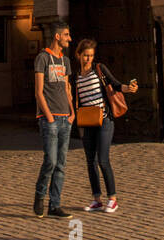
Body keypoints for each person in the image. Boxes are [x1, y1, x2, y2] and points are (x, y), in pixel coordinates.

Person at [72, 39, 138, 213]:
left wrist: (128, 88)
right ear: (79, 55)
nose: (88, 59)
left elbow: (115, 84)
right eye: (86, 55)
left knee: (103, 159)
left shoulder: (99, 69)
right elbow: (73, 97)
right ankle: (96, 199)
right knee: (90, 161)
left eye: (91, 56)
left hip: (104, 120)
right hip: (87, 121)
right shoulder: (75, 74)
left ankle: (112, 198)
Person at [33, 20, 74, 218]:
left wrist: (72, 112)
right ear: (57, 36)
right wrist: (48, 117)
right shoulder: (42, 58)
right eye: (66, 35)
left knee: (61, 164)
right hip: (49, 119)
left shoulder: (65, 61)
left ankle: (54, 205)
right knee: (50, 160)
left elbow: (67, 89)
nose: (69, 39)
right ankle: (40, 195)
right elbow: (38, 92)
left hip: (66, 118)